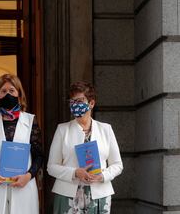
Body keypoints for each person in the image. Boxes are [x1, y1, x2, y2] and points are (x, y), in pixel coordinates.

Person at [47, 81, 123, 213]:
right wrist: (75, 172)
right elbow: (51, 167)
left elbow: (117, 165)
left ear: (91, 103)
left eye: (80, 100)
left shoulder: (106, 129)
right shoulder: (62, 130)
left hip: (99, 194)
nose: (76, 104)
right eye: (72, 101)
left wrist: (102, 175)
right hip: (68, 196)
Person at [0, 74, 43, 214]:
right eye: (3, 91)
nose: (8, 94)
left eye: (12, 90)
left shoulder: (30, 121)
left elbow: (39, 155)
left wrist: (29, 176)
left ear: (19, 94)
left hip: (23, 184)